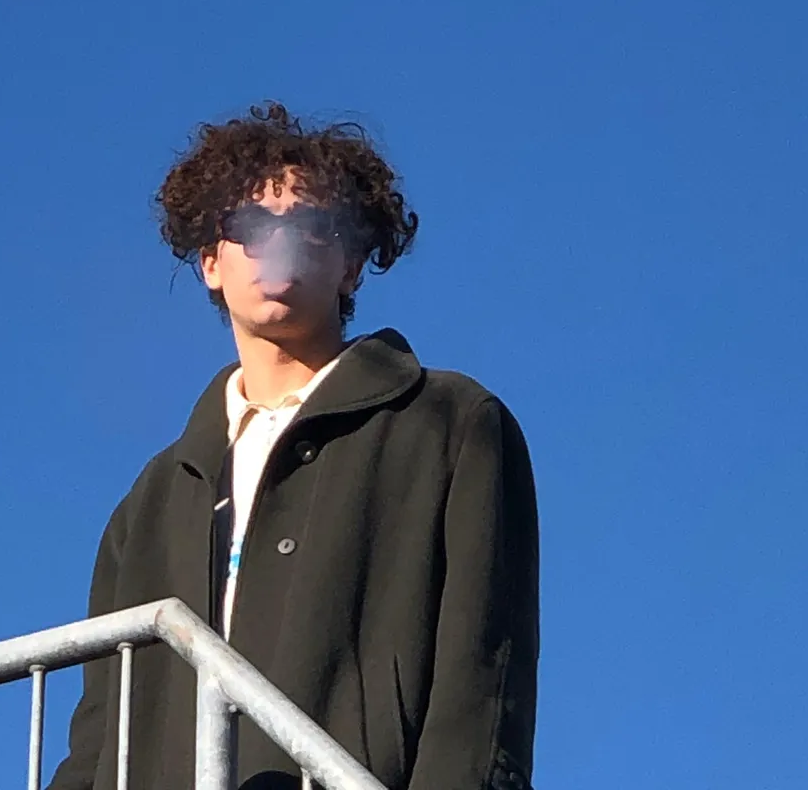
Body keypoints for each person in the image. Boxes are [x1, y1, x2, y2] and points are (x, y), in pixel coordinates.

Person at [46, 102, 538, 790]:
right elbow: (100, 738)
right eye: (249, 226)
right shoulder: (153, 501)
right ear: (211, 262)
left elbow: (481, 680)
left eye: (311, 225)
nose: (279, 244)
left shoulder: (447, 424)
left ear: (351, 265)